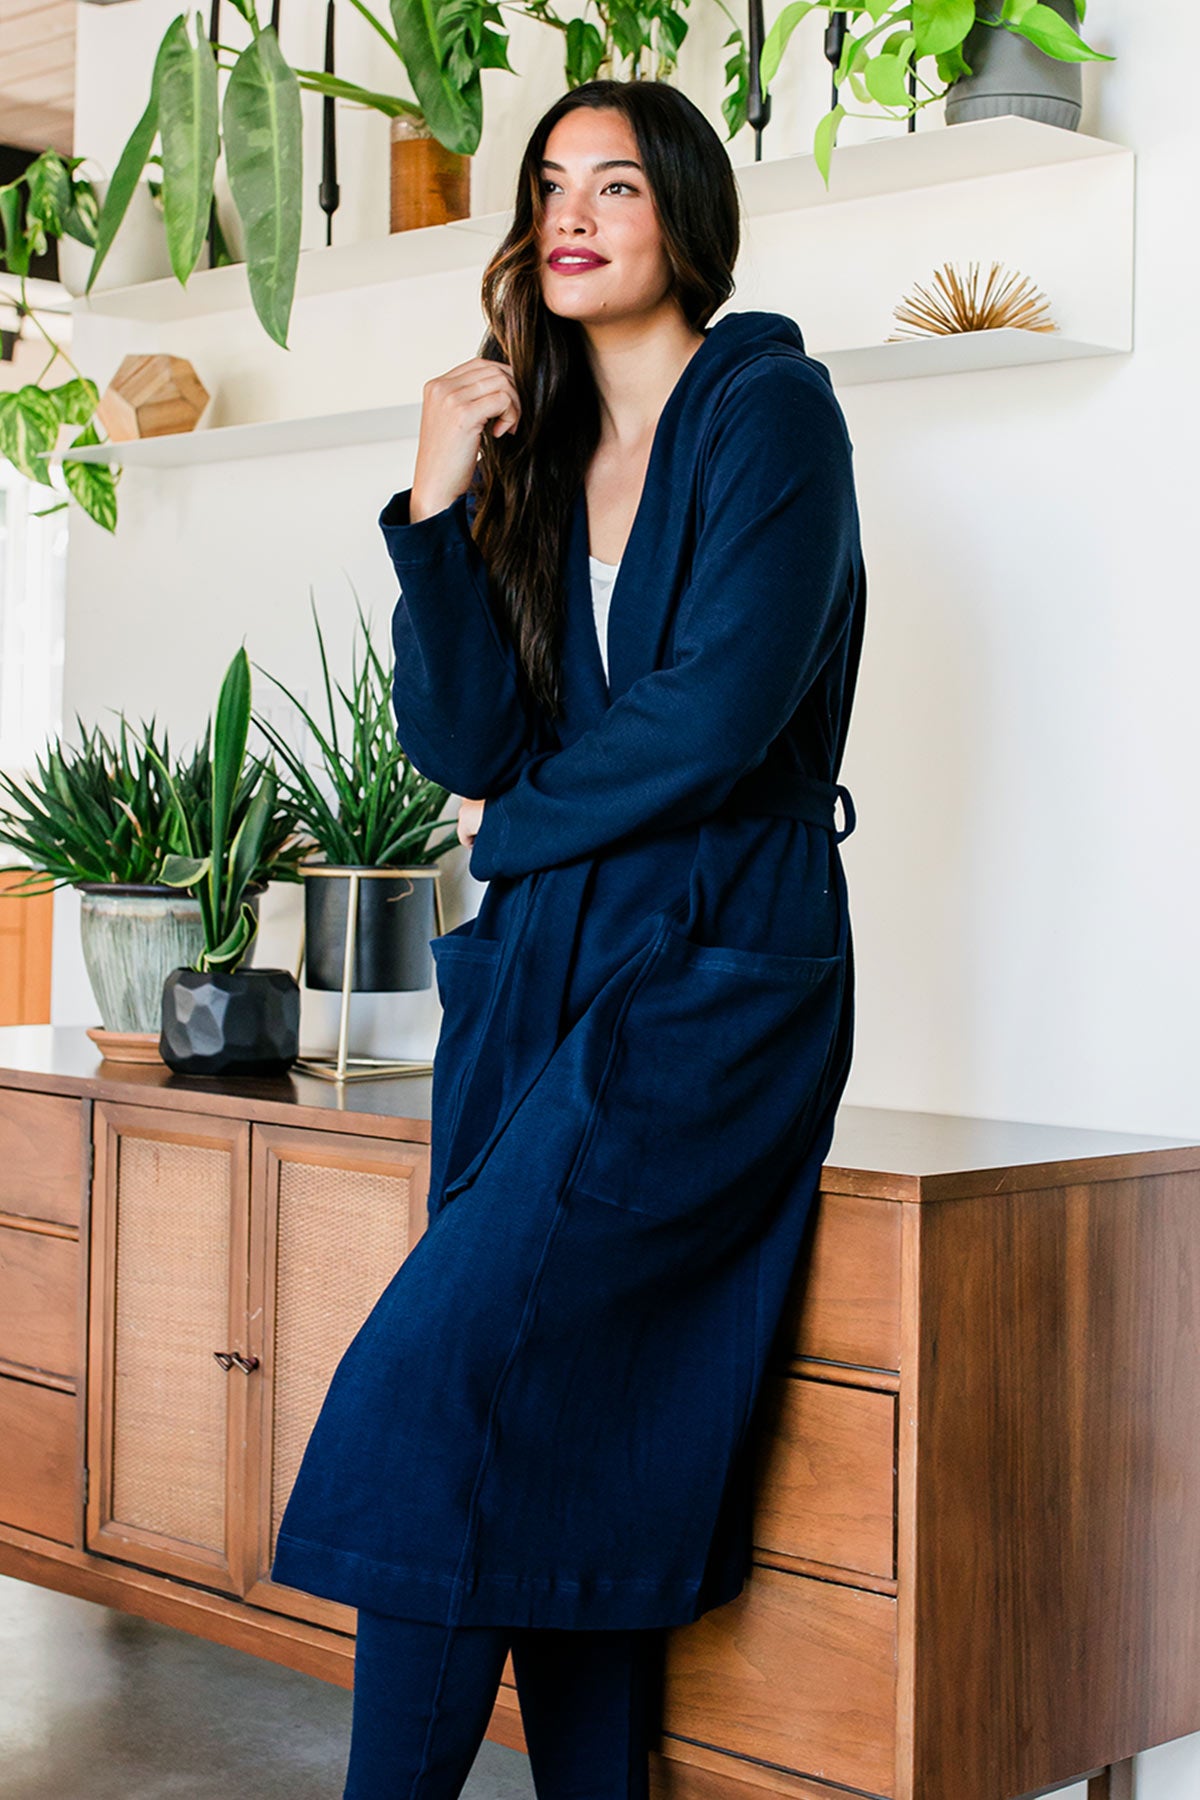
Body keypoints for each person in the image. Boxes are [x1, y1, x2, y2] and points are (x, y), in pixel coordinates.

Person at [270, 75, 867, 1800]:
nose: (575, 211)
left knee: (438, 1390)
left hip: (712, 978)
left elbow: (722, 713)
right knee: (575, 1432)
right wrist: (437, 505)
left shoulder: (773, 415)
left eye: (615, 182)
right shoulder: (532, 444)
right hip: (536, 978)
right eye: (549, 184)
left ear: (684, 212)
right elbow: (460, 744)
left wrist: (515, 837)